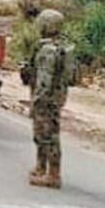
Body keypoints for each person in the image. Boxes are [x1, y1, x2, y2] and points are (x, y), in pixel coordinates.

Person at [25, 10, 73, 189]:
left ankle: (53, 174)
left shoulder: (48, 51)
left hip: (46, 99)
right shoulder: (59, 47)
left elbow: (45, 80)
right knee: (42, 133)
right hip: (55, 97)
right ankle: (41, 167)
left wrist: (37, 100)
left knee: (48, 134)